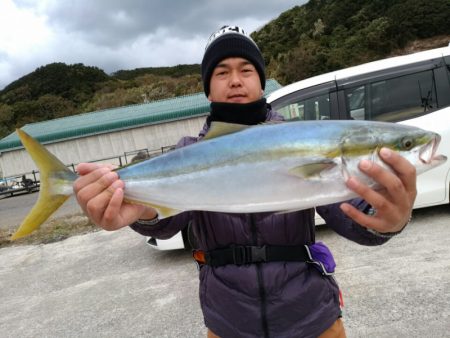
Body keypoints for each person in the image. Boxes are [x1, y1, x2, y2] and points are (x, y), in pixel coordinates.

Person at [73, 26, 416, 338]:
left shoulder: (303, 140)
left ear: (261, 81)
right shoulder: (188, 153)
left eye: (246, 70)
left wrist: (387, 221)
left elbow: (353, 215)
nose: (235, 80)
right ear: (208, 88)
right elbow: (166, 222)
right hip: (228, 322)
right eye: (222, 72)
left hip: (311, 316)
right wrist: (138, 209)